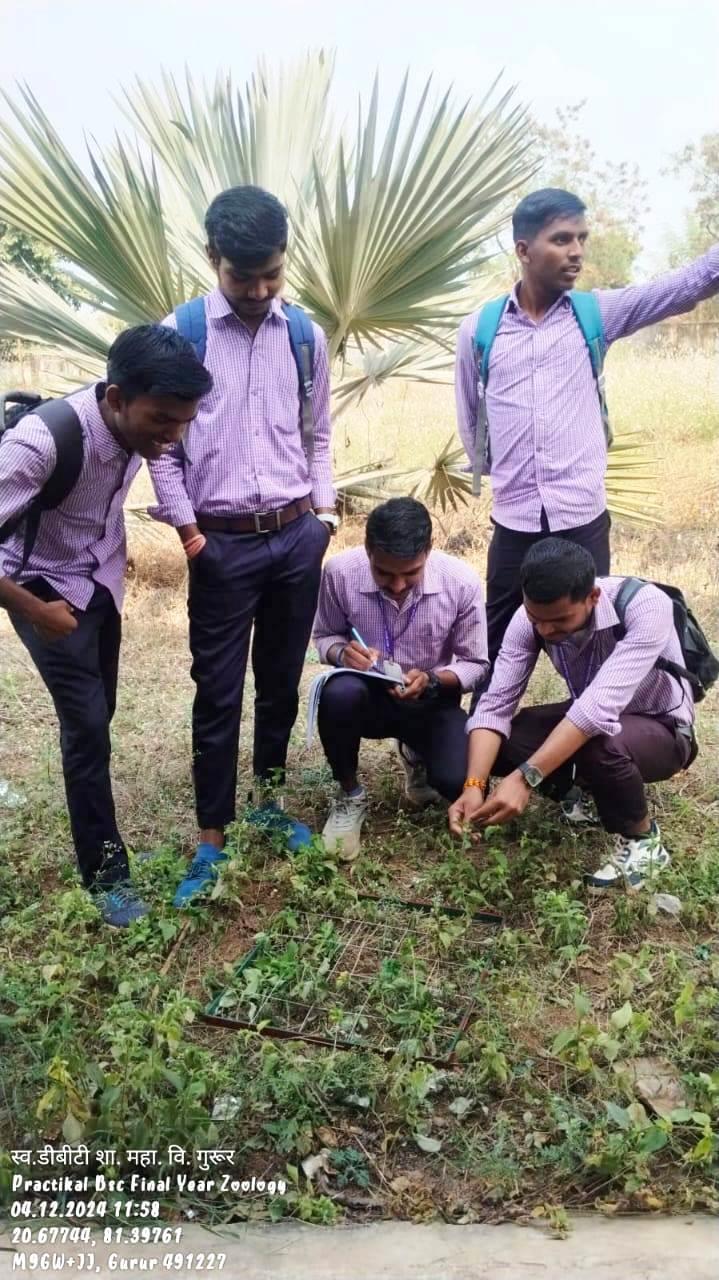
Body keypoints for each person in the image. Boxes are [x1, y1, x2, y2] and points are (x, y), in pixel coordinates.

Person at [147, 185, 336, 905]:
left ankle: (269, 801)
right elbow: (162, 447)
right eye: (241, 276)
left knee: (281, 682)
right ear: (212, 259)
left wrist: (320, 518)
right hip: (219, 546)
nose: (258, 290)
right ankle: (211, 835)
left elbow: (317, 433)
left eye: (271, 275)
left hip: (295, 537)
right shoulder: (183, 334)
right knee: (218, 692)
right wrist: (190, 530)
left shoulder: (303, 335)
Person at [0, 325, 212, 926]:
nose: (172, 437)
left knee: (102, 715)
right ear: (116, 397)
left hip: (99, 583)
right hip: (40, 589)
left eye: (183, 423)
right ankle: (106, 875)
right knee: (88, 728)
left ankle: (101, 845)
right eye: (163, 420)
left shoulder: (137, 433)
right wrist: (34, 611)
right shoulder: (42, 443)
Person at [455, 187, 719, 662]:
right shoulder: (481, 329)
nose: (576, 251)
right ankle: (486, 734)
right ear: (523, 250)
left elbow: (685, 287)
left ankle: (596, 735)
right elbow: (472, 419)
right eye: (561, 239)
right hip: (512, 524)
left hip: (582, 523)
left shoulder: (596, 313)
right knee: (494, 655)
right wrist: (506, 480)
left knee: (593, 652)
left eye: (581, 238)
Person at [448, 538, 697, 892]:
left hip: (662, 727)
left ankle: (643, 839)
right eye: (538, 619)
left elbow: (596, 710)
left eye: (561, 619)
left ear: (592, 597)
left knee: (602, 744)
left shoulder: (645, 606)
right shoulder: (528, 620)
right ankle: (578, 791)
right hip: (594, 717)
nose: (547, 630)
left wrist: (524, 779)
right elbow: (495, 704)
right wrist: (475, 785)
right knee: (504, 742)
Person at [313, 497, 489, 859]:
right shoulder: (340, 572)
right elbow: (325, 636)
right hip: (367, 697)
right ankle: (349, 796)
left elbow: (476, 664)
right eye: (384, 573)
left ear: (428, 550)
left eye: (410, 574)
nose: (396, 585)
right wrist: (341, 653)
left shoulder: (462, 583)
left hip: (431, 701)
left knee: (458, 780)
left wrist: (433, 679)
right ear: (367, 551)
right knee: (337, 694)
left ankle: (416, 754)